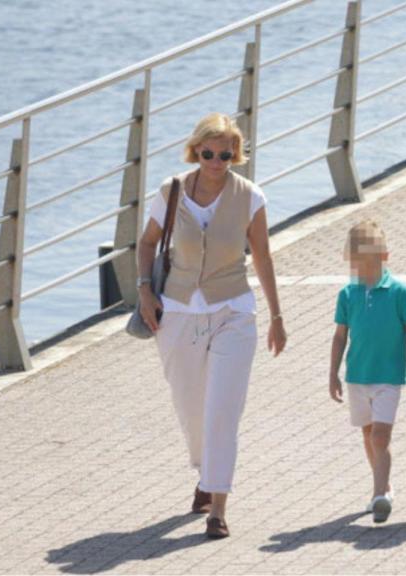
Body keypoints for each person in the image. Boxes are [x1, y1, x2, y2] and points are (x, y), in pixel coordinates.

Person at [136, 112, 286, 539]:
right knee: (191, 409)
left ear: (235, 154)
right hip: (178, 311)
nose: (216, 160)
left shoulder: (250, 196)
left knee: (223, 410)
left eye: (225, 153)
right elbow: (146, 244)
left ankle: (217, 504)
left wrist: (276, 315)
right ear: (195, 151)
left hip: (233, 310)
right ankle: (206, 474)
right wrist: (145, 289)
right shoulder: (171, 191)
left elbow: (262, 257)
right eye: (208, 152)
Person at [328, 220, 406, 524]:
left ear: (383, 256)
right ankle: (383, 485)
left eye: (368, 259)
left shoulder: (398, 292)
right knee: (369, 435)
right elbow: (340, 336)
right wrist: (332, 373)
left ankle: (379, 495)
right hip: (357, 377)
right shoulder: (348, 294)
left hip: (389, 378)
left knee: (381, 436)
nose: (362, 266)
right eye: (357, 260)